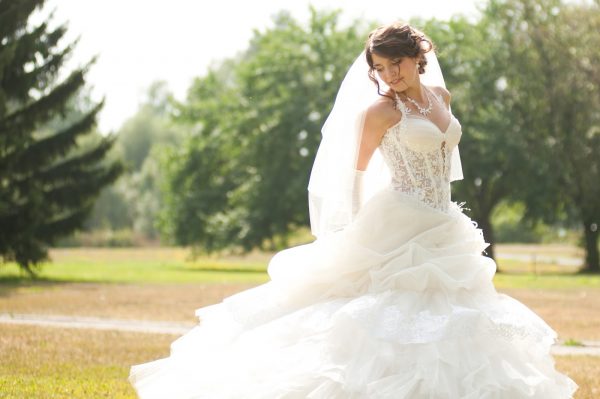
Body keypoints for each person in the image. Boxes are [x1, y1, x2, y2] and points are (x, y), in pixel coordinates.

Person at [129, 22, 578, 398]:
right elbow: (355, 173)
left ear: (418, 56)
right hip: (397, 221)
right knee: (377, 312)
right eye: (379, 69)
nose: (389, 75)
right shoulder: (380, 111)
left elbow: (444, 148)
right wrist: (357, 231)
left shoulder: (442, 96)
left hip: (445, 222)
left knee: (454, 316)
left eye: (395, 64)